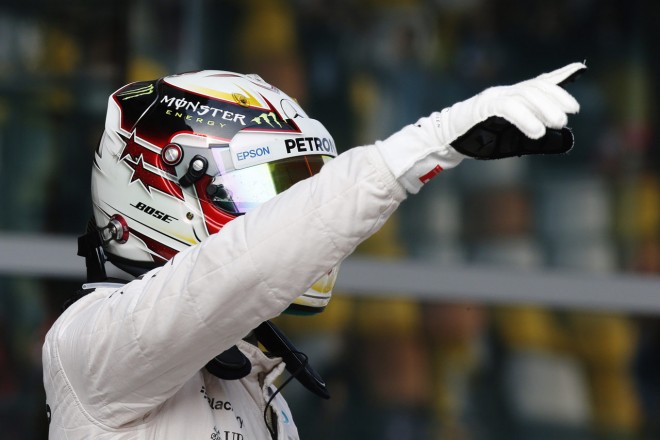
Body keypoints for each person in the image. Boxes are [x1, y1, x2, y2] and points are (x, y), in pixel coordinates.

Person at [42, 62, 585, 439]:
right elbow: (243, 265)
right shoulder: (88, 346)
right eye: (262, 191)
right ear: (162, 185)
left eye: (292, 191)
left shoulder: (256, 383)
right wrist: (423, 147)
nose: (276, 212)